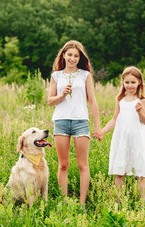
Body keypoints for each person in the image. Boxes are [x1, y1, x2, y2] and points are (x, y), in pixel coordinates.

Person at [93, 66, 145, 202]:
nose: (130, 85)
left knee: (141, 174)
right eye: (127, 82)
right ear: (122, 82)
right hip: (122, 139)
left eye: (133, 82)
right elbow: (114, 119)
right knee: (120, 173)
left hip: (138, 140)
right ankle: (119, 202)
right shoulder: (120, 99)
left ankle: (142, 203)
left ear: (139, 82)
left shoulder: (142, 100)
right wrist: (102, 131)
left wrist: (140, 111)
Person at [48, 40, 101, 205]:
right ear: (63, 55)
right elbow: (50, 101)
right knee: (63, 165)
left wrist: (98, 127)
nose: (72, 58)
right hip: (61, 122)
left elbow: (92, 101)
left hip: (80, 122)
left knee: (82, 165)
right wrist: (62, 95)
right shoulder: (56, 76)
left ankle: (82, 204)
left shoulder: (85, 75)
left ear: (80, 58)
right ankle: (64, 203)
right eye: (69, 55)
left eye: (76, 56)